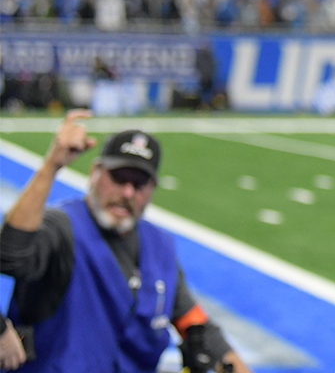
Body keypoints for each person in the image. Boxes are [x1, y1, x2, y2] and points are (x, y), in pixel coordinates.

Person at [0, 110, 251, 373]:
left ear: (152, 190)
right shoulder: (61, 228)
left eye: (139, 183)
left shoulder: (159, 245)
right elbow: (9, 255)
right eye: (119, 178)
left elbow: (195, 325)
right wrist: (51, 165)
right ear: (95, 173)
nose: (127, 192)